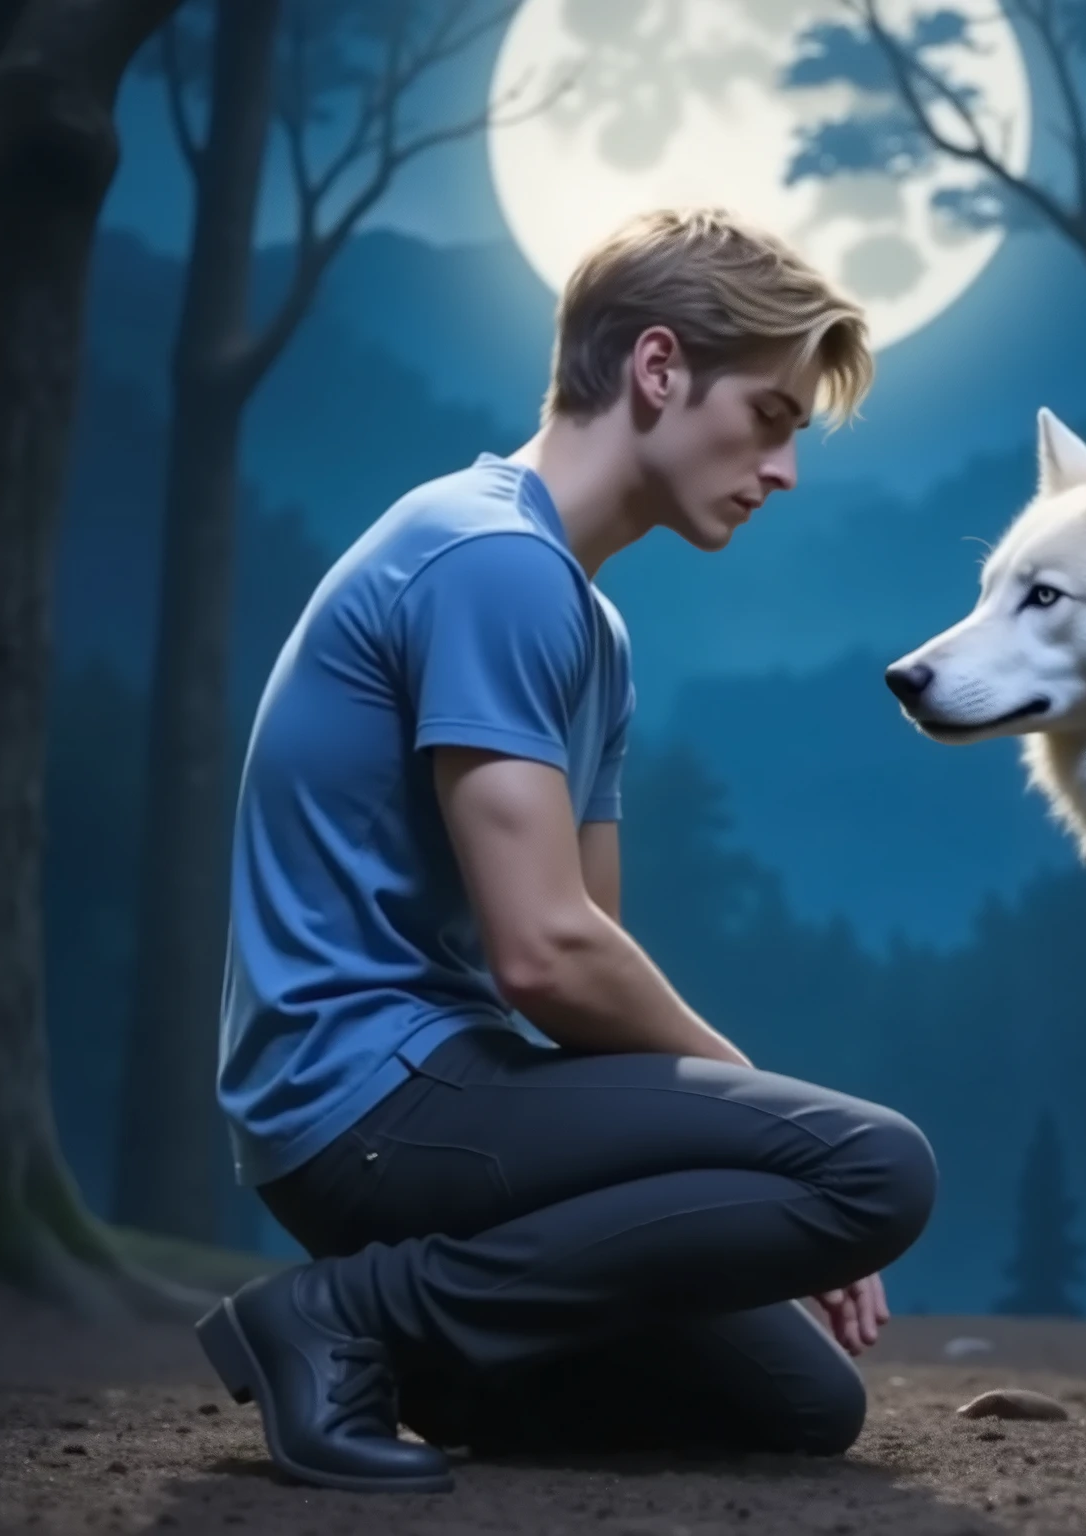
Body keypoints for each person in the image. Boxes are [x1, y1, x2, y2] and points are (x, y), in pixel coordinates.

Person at [193, 207, 936, 1495]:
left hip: (447, 1083)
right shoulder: (490, 561)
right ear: (658, 368)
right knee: (877, 1167)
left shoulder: (590, 627)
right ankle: (343, 1318)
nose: (784, 471)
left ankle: (430, 1363)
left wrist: (749, 1155)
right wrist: (765, 1120)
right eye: (769, 418)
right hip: (364, 1104)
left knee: (799, 1402)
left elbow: (585, 973)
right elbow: (543, 955)